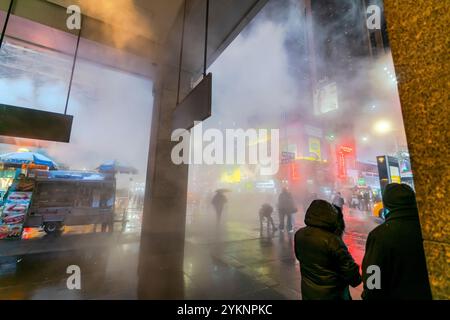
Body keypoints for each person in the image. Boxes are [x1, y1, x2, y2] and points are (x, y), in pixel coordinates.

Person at [361, 183, 432, 300]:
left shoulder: (380, 235)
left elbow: (373, 277)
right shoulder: (432, 230)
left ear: (387, 204)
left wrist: (369, 296)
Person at [294, 200, 361, 300]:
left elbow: (299, 257)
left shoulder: (299, 234)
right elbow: (354, 278)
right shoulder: (332, 241)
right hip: (333, 295)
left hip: (309, 293)